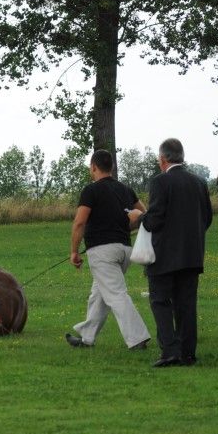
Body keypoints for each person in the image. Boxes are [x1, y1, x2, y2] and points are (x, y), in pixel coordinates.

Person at [128, 139, 212, 367]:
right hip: (192, 254)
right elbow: (207, 218)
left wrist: (138, 217)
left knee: (160, 301)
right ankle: (187, 353)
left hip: (164, 254)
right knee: (186, 304)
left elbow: (154, 219)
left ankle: (170, 351)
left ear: (163, 159)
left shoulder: (160, 182)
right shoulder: (199, 182)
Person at [66, 150, 151, 351]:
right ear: (111, 167)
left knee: (116, 294)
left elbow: (79, 223)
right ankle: (87, 337)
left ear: (93, 167)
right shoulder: (126, 190)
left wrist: (74, 252)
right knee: (99, 294)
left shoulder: (90, 191)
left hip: (102, 253)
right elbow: (144, 215)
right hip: (124, 251)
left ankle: (138, 338)